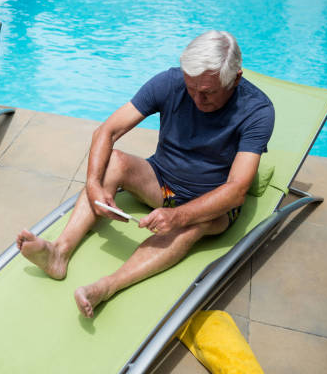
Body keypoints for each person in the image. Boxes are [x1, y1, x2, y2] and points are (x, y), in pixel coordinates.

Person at [16, 30, 275, 318]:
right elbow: (108, 130)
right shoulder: (171, 82)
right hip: (162, 185)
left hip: (211, 203)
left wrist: (178, 216)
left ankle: (106, 286)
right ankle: (59, 252)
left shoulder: (257, 111)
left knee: (194, 224)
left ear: (235, 79)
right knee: (112, 162)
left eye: (209, 92)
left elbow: (237, 188)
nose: (198, 99)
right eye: (192, 88)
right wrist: (93, 185)